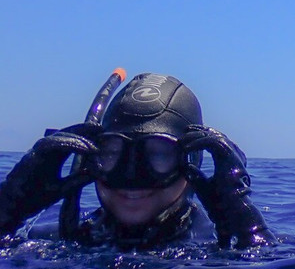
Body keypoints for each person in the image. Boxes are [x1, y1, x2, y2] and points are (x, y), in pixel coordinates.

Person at [0, 73, 275, 250]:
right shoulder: (49, 240)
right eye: (113, 154)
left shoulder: (217, 243)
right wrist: (8, 211)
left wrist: (249, 230)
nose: (132, 177)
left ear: (191, 161)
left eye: (158, 154)